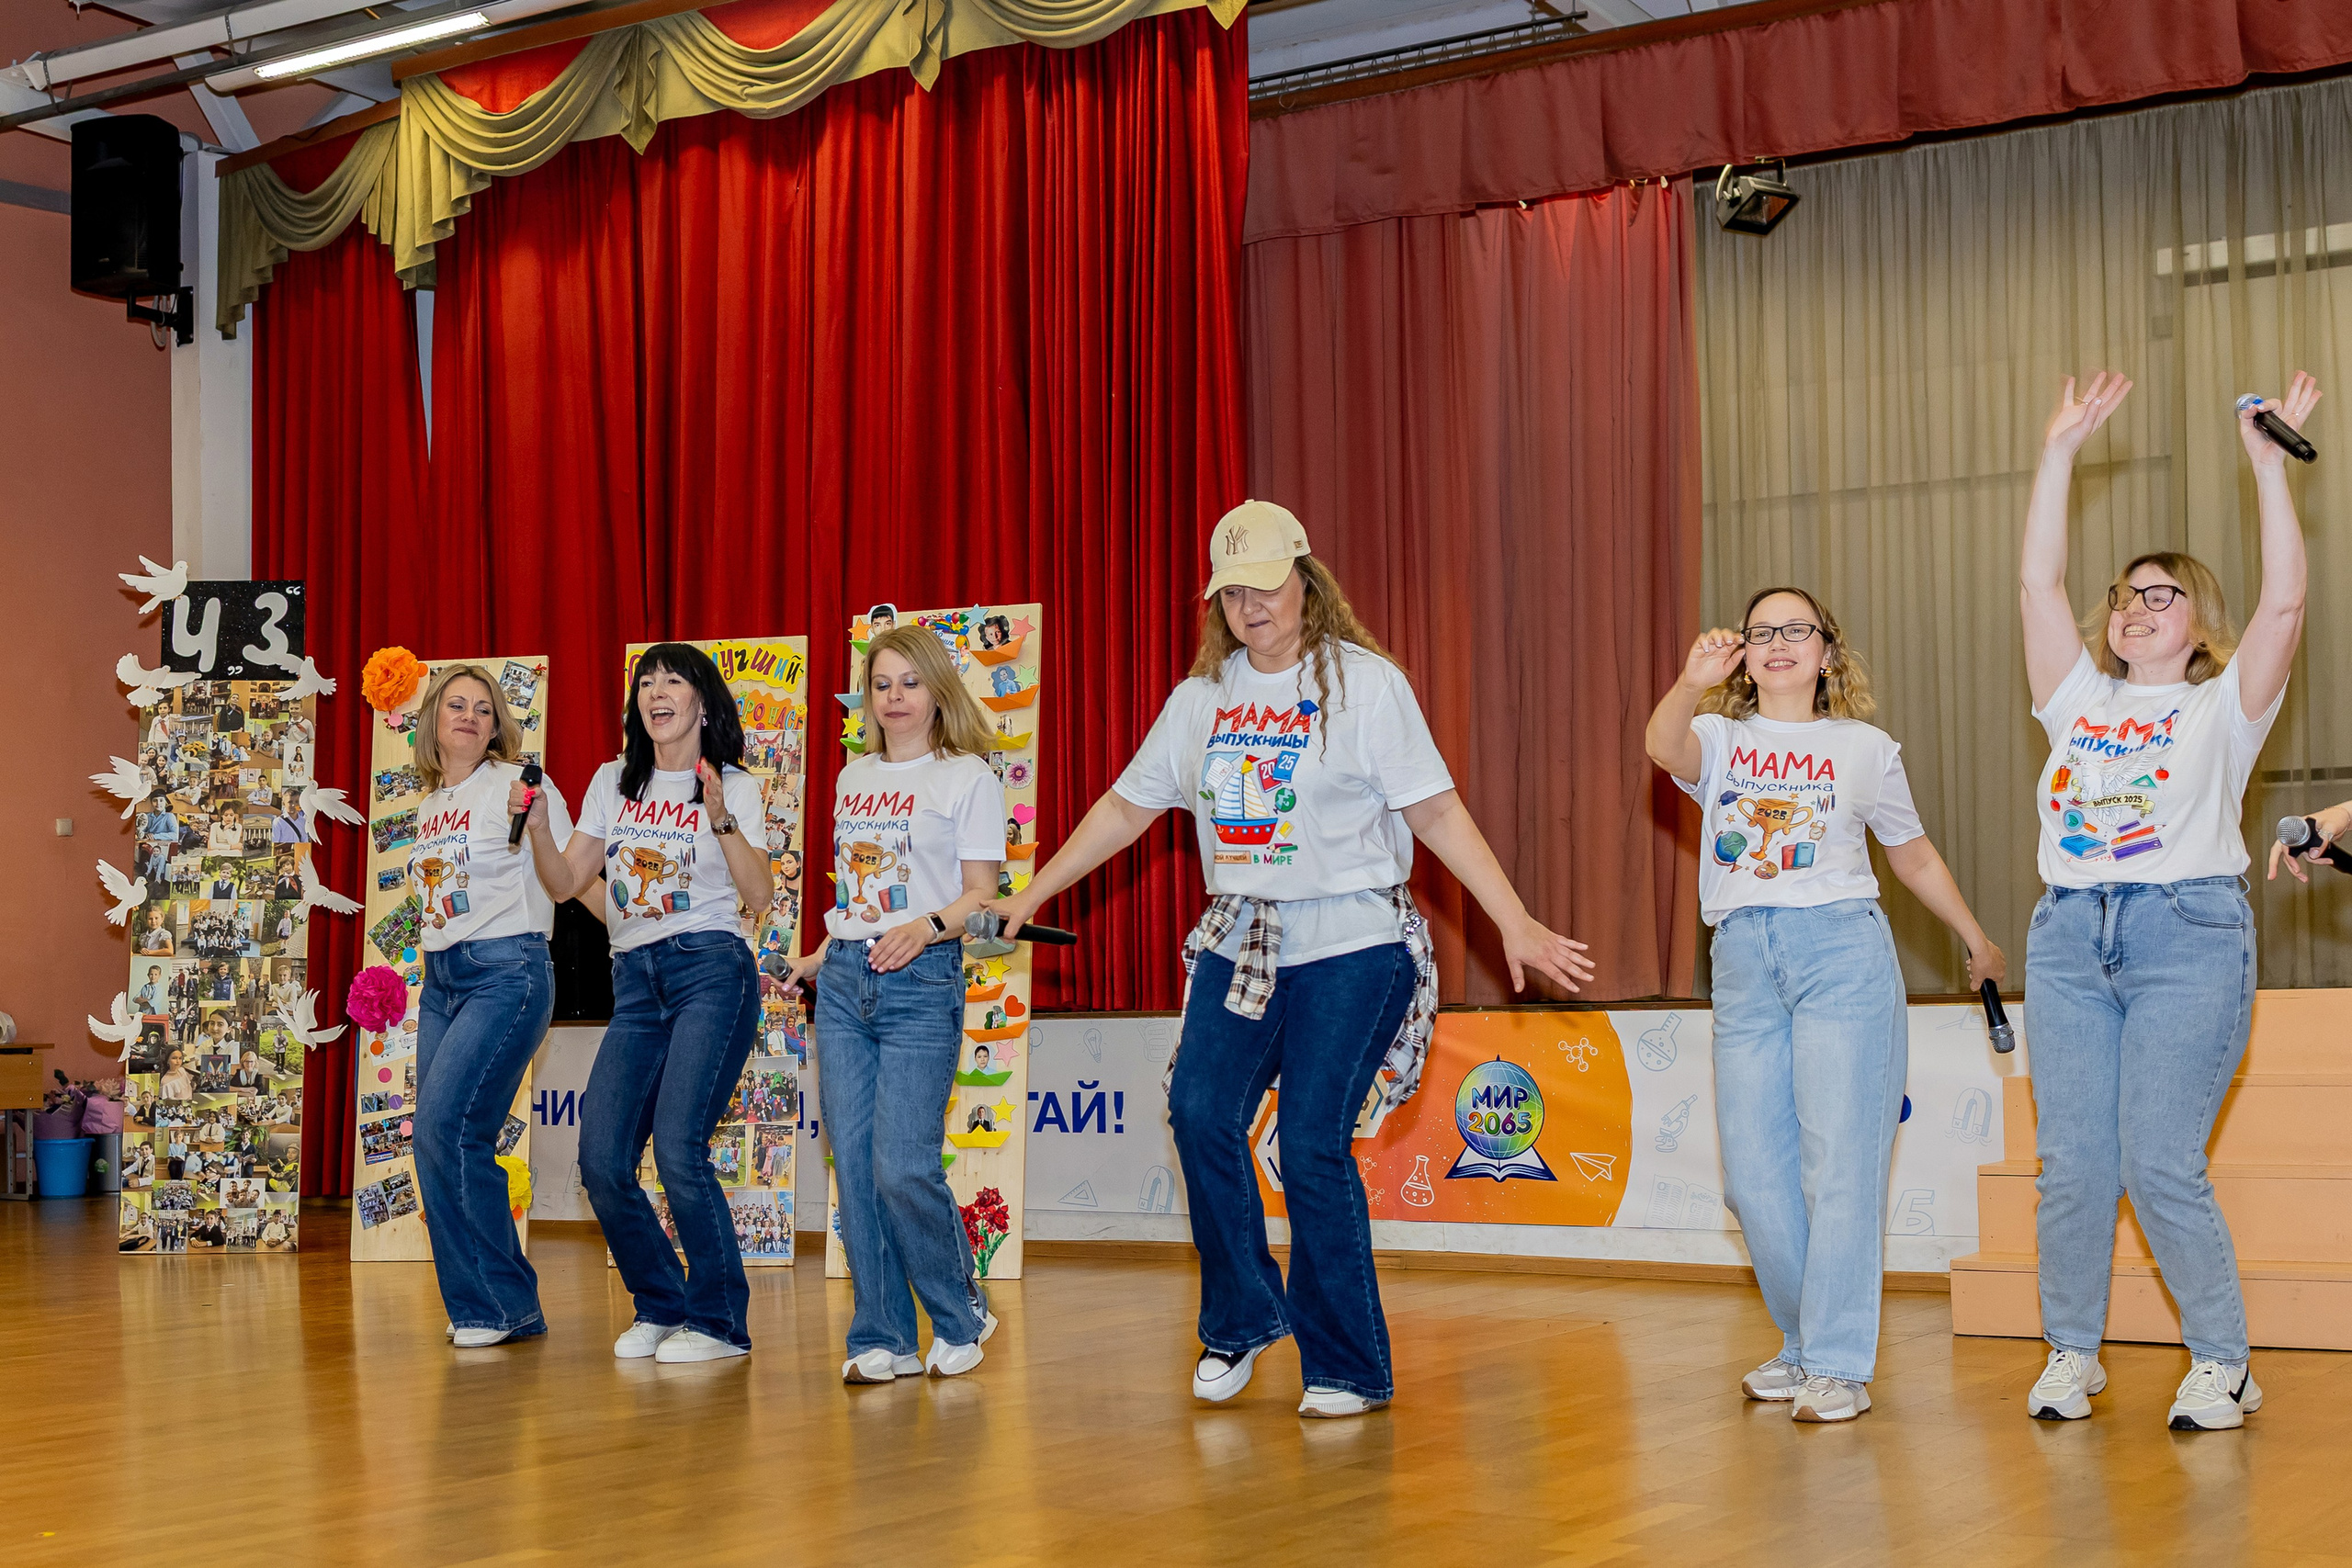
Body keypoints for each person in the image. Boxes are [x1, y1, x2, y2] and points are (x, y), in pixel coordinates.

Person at [987, 500, 1592, 1418]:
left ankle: (1346, 1366)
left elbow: (1433, 813)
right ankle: (1238, 1320)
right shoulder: (1201, 702)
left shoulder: (1364, 687)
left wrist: (1511, 919)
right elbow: (1125, 808)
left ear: (1305, 580)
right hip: (1245, 938)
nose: (1250, 605)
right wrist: (1032, 892)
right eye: (1231, 592)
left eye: (1265, 584)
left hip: (1354, 940)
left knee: (1311, 1143)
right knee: (1198, 1111)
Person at [2017, 371, 2319, 1432]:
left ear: (2199, 626)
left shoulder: (2221, 709)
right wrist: (2057, 454)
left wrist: (2265, 471)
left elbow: (2286, 600)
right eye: (2126, 596)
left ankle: (2222, 1361)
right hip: (2066, 935)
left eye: (2162, 595)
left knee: (2157, 1156)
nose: (2135, 608)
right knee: (2072, 1167)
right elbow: (2037, 590)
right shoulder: (2077, 701)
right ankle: (2070, 1351)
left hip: (2183, 932)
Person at [1645, 587, 2005, 1423]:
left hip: (1842, 948)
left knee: (1840, 1164)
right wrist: (1688, 680)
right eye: (1762, 631)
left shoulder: (1865, 748)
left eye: (1796, 630)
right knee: (1755, 1180)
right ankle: (1806, 1340)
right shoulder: (1719, 736)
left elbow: (1911, 856)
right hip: (1741, 956)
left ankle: (1837, 1362)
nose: (1778, 642)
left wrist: (1974, 935)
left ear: (1827, 653)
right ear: (1744, 655)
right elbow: (1661, 747)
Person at [524, 643, 771, 1365]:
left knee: (680, 1148)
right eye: (646, 681)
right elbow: (569, 880)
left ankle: (721, 1321)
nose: (657, 691)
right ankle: (662, 1303)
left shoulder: (734, 785)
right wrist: (539, 829)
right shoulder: (612, 781)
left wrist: (721, 816)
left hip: (711, 971)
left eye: (675, 680)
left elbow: (758, 897)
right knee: (601, 1158)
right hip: (634, 980)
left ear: (703, 701)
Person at [783, 626, 1006, 1385]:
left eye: (910, 682)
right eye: (882, 684)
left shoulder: (967, 776)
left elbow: (984, 894)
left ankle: (959, 1314)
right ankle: (882, 1332)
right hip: (846, 979)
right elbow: (857, 896)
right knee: (858, 1168)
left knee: (902, 1166)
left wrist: (926, 928)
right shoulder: (852, 777)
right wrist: (818, 956)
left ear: (937, 690)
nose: (895, 697)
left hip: (923, 977)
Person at [393, 665, 573, 1349]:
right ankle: (483, 1306)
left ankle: (504, 1304)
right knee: (434, 1136)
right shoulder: (430, 803)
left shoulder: (517, 784)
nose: (468, 715)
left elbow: (557, 876)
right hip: (444, 978)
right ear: (434, 720)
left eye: (482, 708)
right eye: (455, 705)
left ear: (497, 725)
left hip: (508, 972)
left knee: (449, 1127)